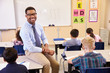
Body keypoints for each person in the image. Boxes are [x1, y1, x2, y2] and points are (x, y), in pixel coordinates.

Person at [20, 7, 59, 73]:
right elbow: (31, 48)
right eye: (29, 15)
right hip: (30, 51)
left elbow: (44, 38)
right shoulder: (24, 30)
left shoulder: (38, 26)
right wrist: (47, 51)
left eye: (34, 14)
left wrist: (46, 46)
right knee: (46, 64)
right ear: (26, 16)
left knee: (56, 65)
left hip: (40, 48)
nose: (32, 16)